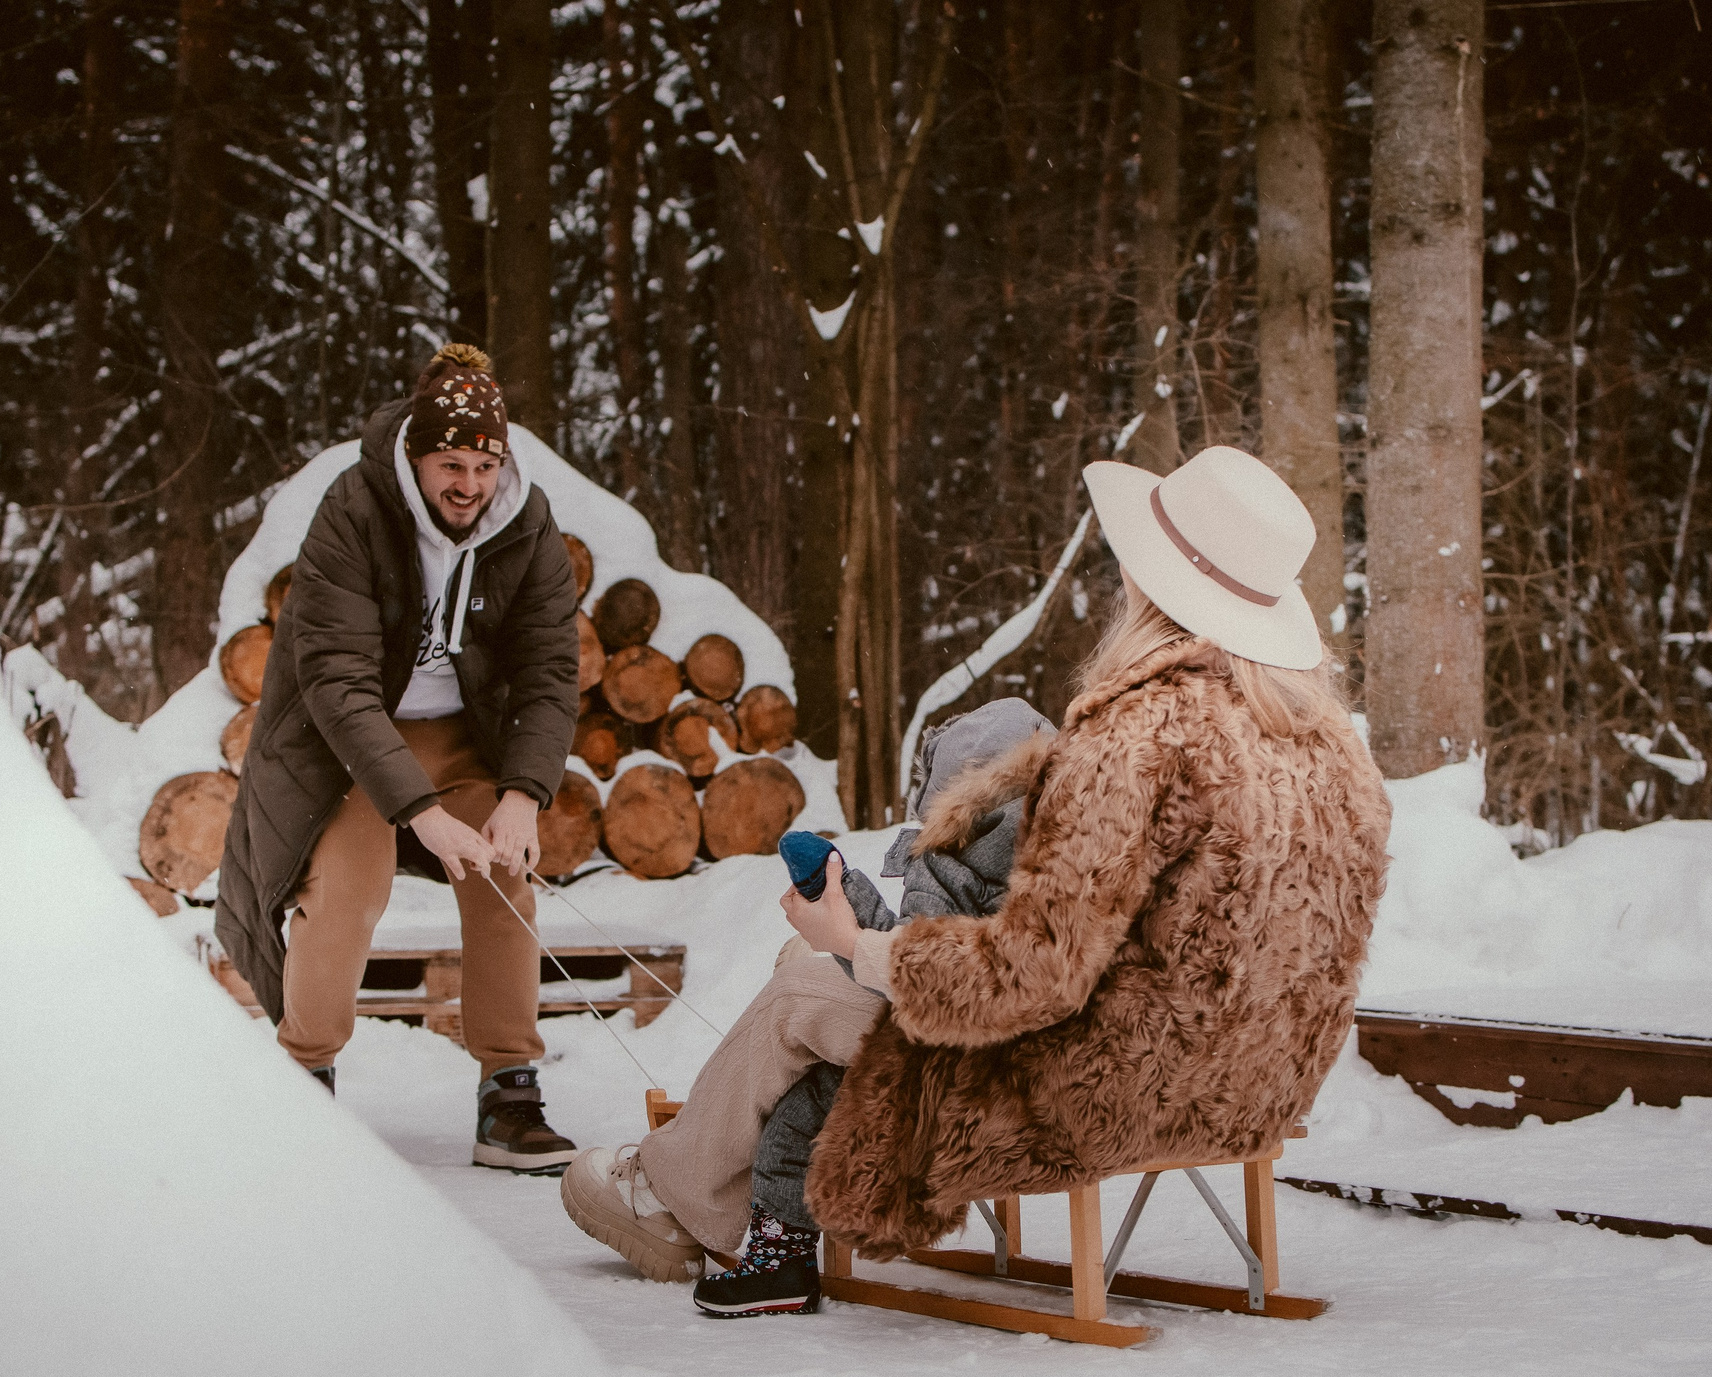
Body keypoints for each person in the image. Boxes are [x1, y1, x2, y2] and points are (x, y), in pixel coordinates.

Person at [558, 444, 1394, 1312]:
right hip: (1254, 1087)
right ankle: (744, 1194)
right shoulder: (1335, 759)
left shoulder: (1138, 739)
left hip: (1097, 1092)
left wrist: (852, 940)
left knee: (801, 989)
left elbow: (1030, 977)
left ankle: (676, 1201)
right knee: (819, 981)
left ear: (1151, 589)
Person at [215, 343, 584, 1173]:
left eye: (484, 464)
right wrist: (418, 812)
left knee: (503, 872)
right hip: (346, 740)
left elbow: (550, 671)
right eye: (449, 463)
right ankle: (305, 1072)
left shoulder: (527, 525)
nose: (468, 483)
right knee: (349, 879)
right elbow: (337, 682)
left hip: (464, 735)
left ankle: (510, 1092)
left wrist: (524, 792)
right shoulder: (352, 512)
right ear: (414, 458)